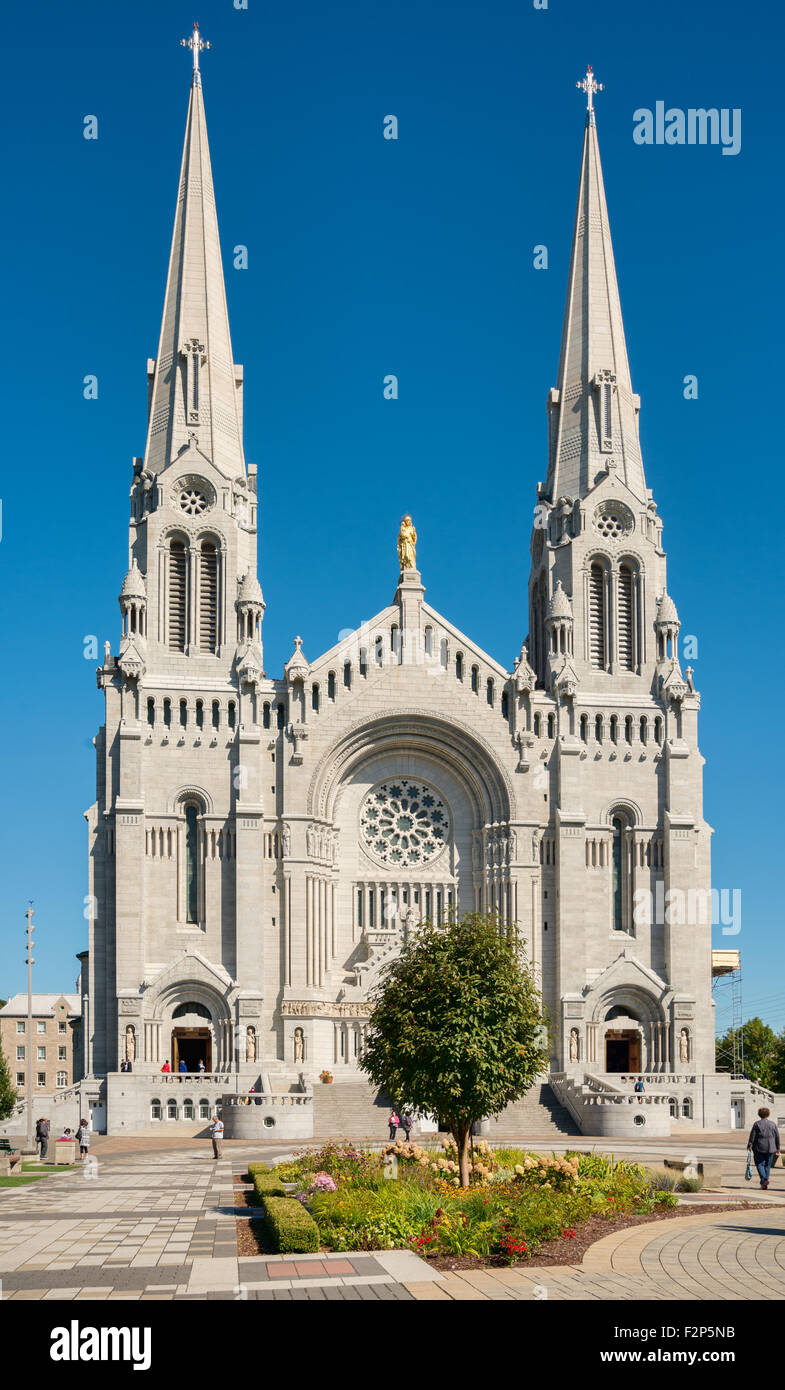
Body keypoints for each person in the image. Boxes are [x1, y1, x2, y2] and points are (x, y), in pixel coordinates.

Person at [747, 1106, 780, 1190]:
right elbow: (777, 1137)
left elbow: (752, 1136)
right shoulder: (773, 1124)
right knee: (767, 1166)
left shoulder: (757, 1124)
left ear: (759, 1114)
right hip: (771, 1147)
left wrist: (749, 1145)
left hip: (759, 1147)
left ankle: (764, 1180)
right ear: (768, 1114)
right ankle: (764, 1183)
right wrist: (778, 1148)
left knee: (759, 1164)